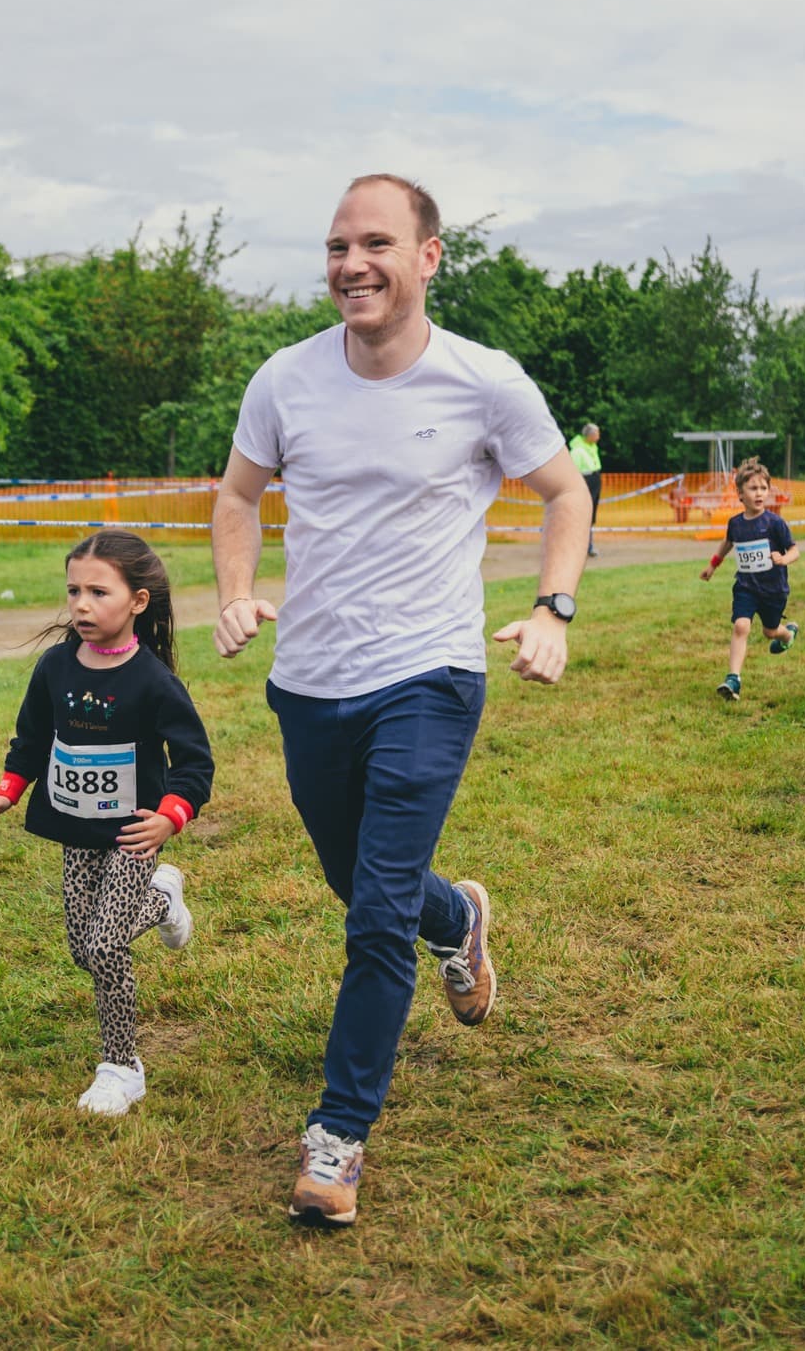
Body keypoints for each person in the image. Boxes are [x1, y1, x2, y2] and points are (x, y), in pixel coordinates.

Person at [210, 173, 591, 1227]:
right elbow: (237, 495)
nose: (350, 264)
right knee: (359, 882)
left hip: (428, 673)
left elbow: (566, 490)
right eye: (336, 246)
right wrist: (237, 593)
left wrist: (552, 607)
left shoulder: (484, 380)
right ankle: (456, 913)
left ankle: (336, 1138)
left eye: (375, 242)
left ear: (427, 257)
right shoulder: (283, 379)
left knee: (371, 917)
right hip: (309, 684)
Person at [0, 530, 213, 1116]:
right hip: (76, 832)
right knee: (83, 948)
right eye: (74, 590)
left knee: (106, 945)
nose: (81, 604)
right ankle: (163, 904)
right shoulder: (54, 668)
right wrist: (6, 792)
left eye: (98, 592)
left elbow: (195, 763)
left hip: (133, 834)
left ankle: (122, 1067)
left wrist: (168, 818)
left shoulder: (154, 681)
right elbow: (30, 740)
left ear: (137, 602)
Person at [699, 456, 799, 699]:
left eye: (763, 488)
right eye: (753, 488)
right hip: (746, 587)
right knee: (741, 625)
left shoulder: (775, 523)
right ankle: (733, 680)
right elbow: (728, 543)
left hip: (773, 590)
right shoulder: (736, 523)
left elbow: (795, 549)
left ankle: (788, 633)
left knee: (770, 632)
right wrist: (713, 566)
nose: (759, 493)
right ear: (740, 493)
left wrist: (783, 560)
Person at [568, 423, 603, 556]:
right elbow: (574, 471)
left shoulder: (592, 447)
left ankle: (587, 545)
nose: (599, 437)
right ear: (590, 435)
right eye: (597, 434)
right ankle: (579, 547)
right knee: (581, 515)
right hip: (585, 481)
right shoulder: (577, 450)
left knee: (589, 515)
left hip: (594, 480)